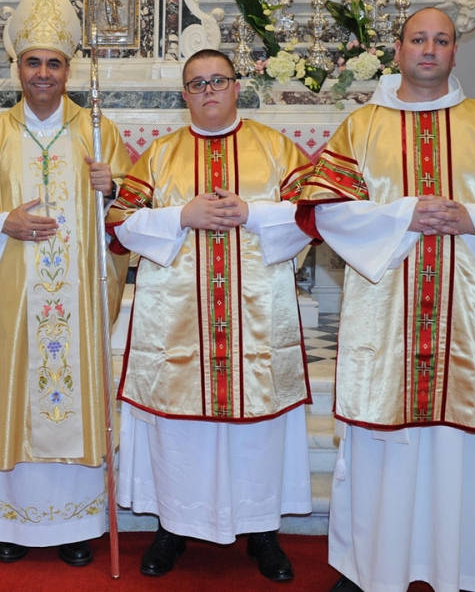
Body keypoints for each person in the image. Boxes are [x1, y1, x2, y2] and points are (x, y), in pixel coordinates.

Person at [295, 8, 475, 592]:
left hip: (466, 316)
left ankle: (465, 566)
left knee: (464, 443)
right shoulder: (361, 126)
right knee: (380, 441)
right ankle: (371, 568)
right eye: (418, 39)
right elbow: (327, 211)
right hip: (384, 311)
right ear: (397, 50)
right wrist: (405, 214)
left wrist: (471, 218)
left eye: (441, 40)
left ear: (455, 52)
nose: (429, 49)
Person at [108, 49, 315, 582]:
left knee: (259, 429)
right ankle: (172, 526)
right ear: (184, 94)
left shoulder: (276, 150)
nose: (208, 91)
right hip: (177, 323)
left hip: (256, 322)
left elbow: (315, 218)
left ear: (236, 85)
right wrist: (182, 215)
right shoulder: (159, 154)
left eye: (217, 80)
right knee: (180, 431)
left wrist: (253, 214)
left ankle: (262, 531)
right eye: (196, 84)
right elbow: (120, 223)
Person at [0, 0, 131, 567]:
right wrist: (3, 222)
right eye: (33, 63)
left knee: (73, 397)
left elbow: (132, 210)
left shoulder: (99, 133)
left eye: (54, 63)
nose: (44, 74)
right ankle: (15, 522)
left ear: (68, 70)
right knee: (14, 392)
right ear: (17, 67)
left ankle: (76, 525)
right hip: (11, 295)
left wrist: (114, 187)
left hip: (76, 299)